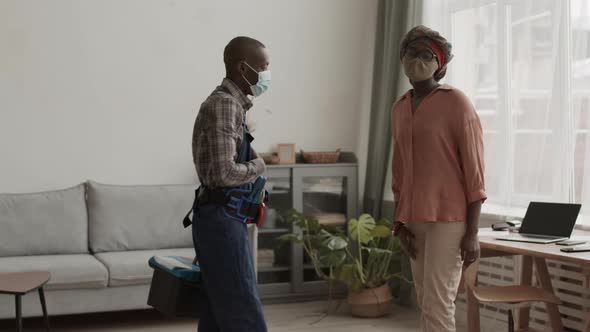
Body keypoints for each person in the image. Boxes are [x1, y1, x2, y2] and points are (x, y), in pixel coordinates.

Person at [390, 25, 486, 332]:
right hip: (413, 218)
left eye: (425, 54)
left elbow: (475, 172)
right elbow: (399, 169)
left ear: (440, 63)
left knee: (438, 301)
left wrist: (471, 233)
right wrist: (400, 223)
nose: (416, 59)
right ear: (401, 58)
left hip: (451, 219)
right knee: (425, 299)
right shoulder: (400, 107)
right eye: (410, 52)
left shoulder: (457, 103)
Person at [191, 36, 270, 332]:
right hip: (222, 220)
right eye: (263, 67)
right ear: (242, 67)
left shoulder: (230, 104)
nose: (266, 75)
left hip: (218, 218)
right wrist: (259, 165)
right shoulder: (225, 105)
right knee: (243, 313)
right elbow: (224, 173)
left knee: (217, 313)